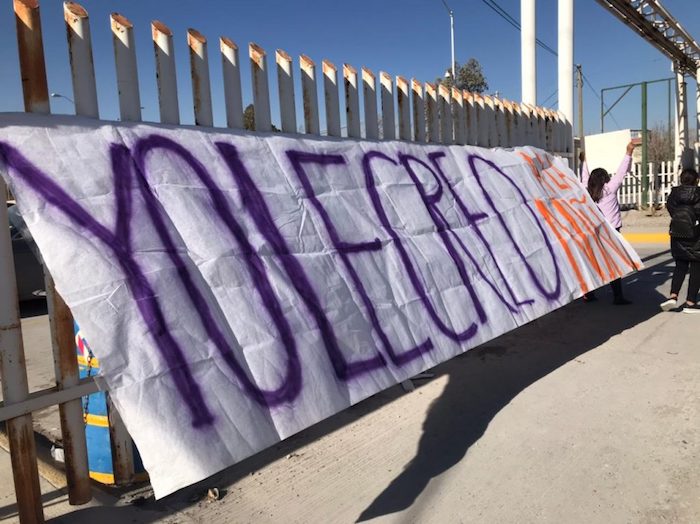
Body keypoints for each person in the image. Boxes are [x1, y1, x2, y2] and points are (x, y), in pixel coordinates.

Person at [579, 141, 636, 305]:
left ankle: (589, 294)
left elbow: (584, 175)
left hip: (593, 230)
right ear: (605, 178)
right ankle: (617, 296)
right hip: (612, 232)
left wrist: (584, 160)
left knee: (592, 261)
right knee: (614, 263)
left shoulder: (585, 190)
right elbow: (622, 171)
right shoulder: (610, 189)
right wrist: (628, 152)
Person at [660, 168, 700, 314]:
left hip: (677, 234)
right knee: (696, 269)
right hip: (696, 236)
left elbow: (671, 210)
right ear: (696, 180)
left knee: (680, 266)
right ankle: (690, 302)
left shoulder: (674, 194)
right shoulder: (699, 193)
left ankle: (673, 296)